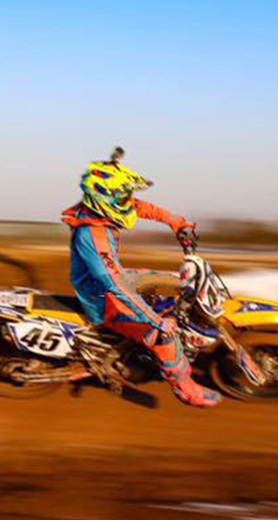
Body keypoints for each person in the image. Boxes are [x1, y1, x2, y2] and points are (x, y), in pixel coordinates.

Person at [61, 148, 221, 407]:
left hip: (111, 279)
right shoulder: (91, 234)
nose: (129, 201)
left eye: (126, 195)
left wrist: (177, 223)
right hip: (103, 299)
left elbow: (141, 207)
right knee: (164, 336)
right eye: (122, 196)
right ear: (103, 197)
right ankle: (186, 389)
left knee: (172, 282)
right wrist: (156, 321)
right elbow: (115, 285)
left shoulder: (99, 212)